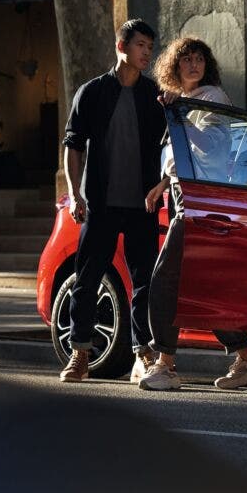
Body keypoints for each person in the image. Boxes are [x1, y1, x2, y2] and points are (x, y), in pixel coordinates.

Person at [138, 37, 247, 391]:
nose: (193, 65)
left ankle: (164, 363)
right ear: (175, 66)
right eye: (186, 60)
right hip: (183, 194)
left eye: (199, 59)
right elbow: (179, 157)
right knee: (201, 285)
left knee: (166, 280)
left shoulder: (211, 98)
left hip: (202, 199)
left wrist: (181, 115)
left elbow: (211, 147)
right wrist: (162, 185)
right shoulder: (183, 102)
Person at [59, 19, 168, 384]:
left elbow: (172, 145)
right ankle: (80, 354)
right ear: (122, 46)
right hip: (101, 205)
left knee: (144, 285)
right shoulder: (91, 93)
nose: (147, 53)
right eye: (141, 46)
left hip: (143, 207)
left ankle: (143, 354)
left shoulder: (154, 96)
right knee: (86, 280)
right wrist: (75, 194)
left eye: (150, 48)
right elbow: (72, 146)